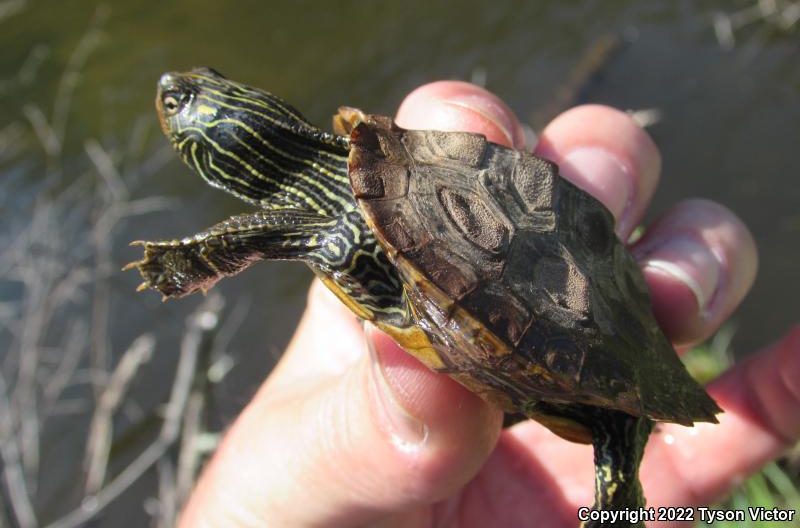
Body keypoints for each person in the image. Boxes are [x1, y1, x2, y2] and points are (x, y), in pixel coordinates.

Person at [179, 81, 797, 527]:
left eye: (187, 100)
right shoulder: (327, 216)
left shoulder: (339, 205)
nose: (173, 92)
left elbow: (253, 239)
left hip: (577, 365)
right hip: (523, 374)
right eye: (186, 100)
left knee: (617, 455)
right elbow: (261, 237)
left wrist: (185, 263)